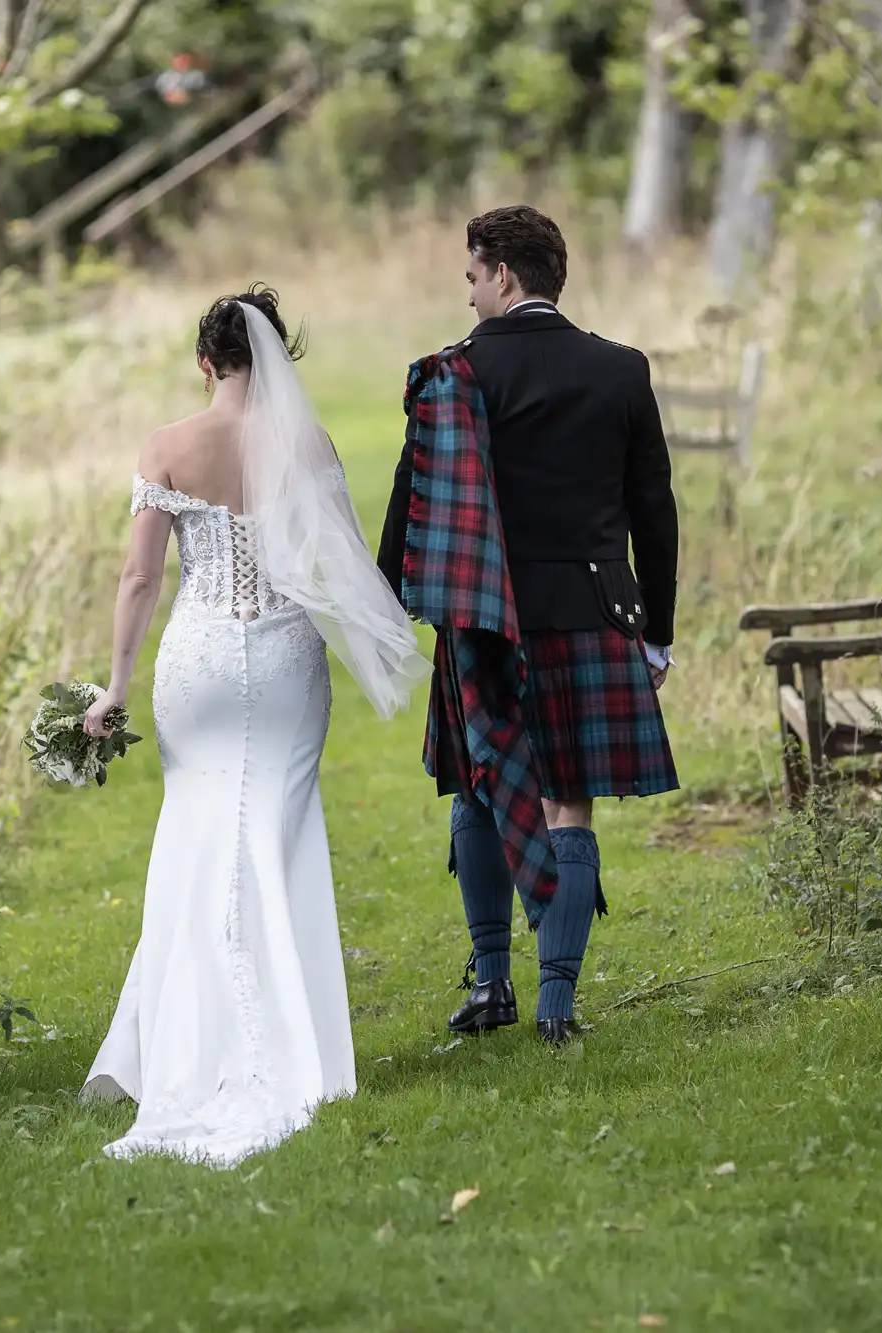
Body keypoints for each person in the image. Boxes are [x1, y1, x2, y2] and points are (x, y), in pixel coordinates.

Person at [78, 285, 429, 1165]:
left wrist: (115, 683)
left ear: (204, 361)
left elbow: (138, 580)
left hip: (196, 661)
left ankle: (185, 1046)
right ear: (278, 358)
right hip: (283, 660)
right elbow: (342, 559)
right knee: (277, 834)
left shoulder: (166, 447)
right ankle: (292, 1042)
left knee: (195, 833)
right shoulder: (306, 445)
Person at [376, 206, 681, 1046]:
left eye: (473, 277)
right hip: (592, 615)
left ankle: (492, 985)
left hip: (482, 620)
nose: (469, 295)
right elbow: (655, 513)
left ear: (503, 275)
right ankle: (558, 1005)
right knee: (569, 803)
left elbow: (414, 502)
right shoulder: (621, 369)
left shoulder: (455, 372)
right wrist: (658, 629)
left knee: (480, 790)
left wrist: (384, 600)